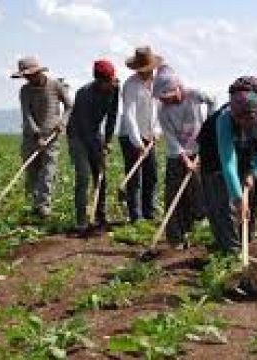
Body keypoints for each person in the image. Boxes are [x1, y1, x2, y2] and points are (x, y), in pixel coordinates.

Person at [197, 76, 257, 252]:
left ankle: (244, 244)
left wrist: (252, 172)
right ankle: (229, 250)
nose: (243, 124)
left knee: (251, 197)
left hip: (248, 152)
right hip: (214, 153)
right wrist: (237, 198)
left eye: (248, 120)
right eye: (239, 119)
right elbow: (227, 162)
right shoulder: (224, 119)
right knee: (220, 202)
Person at [153, 65, 215, 248]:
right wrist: (185, 159)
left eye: (169, 97)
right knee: (173, 196)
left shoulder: (194, 95)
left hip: (198, 150)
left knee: (198, 193)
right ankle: (175, 239)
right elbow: (171, 139)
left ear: (177, 88)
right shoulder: (163, 111)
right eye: (163, 99)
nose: (166, 101)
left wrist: (210, 126)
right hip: (177, 155)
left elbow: (213, 100)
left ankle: (196, 230)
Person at [11, 56, 73, 218]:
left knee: (48, 172)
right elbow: (27, 115)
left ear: (38, 72)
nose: (29, 78)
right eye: (26, 76)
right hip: (31, 137)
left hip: (52, 137)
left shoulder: (55, 85)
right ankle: (35, 205)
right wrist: (37, 135)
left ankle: (44, 205)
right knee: (32, 173)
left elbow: (69, 106)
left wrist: (62, 122)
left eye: (31, 74)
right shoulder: (24, 91)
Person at [67, 60, 119, 237]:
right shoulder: (84, 94)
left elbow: (112, 116)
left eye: (113, 79)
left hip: (94, 132)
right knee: (83, 175)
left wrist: (108, 141)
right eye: (108, 81)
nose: (112, 83)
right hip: (77, 135)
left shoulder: (114, 88)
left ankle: (100, 215)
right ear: (98, 81)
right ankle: (81, 221)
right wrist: (98, 151)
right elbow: (83, 126)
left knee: (101, 174)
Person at [118, 47, 162, 222]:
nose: (146, 73)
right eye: (142, 70)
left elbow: (159, 109)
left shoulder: (158, 83)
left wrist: (156, 131)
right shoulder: (130, 85)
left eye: (148, 69)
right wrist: (137, 142)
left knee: (151, 174)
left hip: (149, 135)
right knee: (135, 176)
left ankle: (149, 212)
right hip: (130, 135)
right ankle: (136, 216)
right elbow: (129, 114)